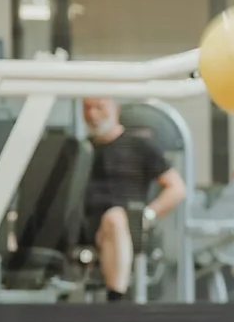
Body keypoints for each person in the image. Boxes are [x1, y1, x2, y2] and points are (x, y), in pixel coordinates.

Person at [80, 97, 186, 301]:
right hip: (85, 226)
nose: (92, 115)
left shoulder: (139, 145)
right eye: (87, 108)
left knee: (115, 218)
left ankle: (116, 299)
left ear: (115, 109)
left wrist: (148, 215)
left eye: (99, 108)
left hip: (127, 224)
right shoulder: (81, 149)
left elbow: (177, 188)